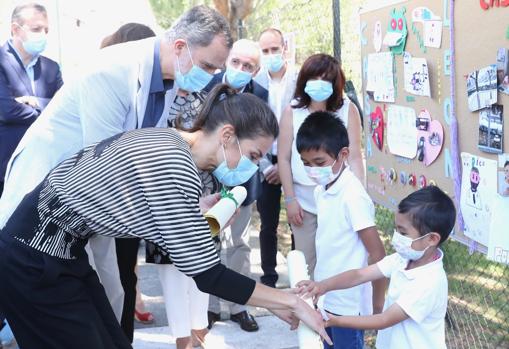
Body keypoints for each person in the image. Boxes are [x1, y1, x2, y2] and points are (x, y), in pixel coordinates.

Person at [0, 85, 331, 349]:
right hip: (33, 259)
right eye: (255, 154)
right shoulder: (175, 165)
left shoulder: (171, 142)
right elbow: (207, 273)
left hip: (59, 253)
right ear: (228, 135)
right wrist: (291, 301)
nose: (255, 166)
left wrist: (275, 303)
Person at [0, 5, 232, 322]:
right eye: (207, 66)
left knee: (112, 296)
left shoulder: (164, 84)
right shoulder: (112, 70)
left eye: (215, 72)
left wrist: (192, 202)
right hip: (47, 199)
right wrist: (179, 215)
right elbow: (108, 169)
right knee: (65, 307)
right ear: (180, 47)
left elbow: (148, 157)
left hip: (87, 205)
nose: (209, 77)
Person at [298, 186, 456, 349]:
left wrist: (335, 320)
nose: (396, 237)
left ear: (431, 239)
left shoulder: (429, 282)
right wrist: (322, 286)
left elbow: (384, 320)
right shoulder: (402, 259)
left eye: (403, 232)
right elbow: (359, 275)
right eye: (396, 229)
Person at [294, 112, 386, 348]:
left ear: (343, 154)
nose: (312, 170)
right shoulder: (321, 189)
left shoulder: (353, 196)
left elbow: (377, 254)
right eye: (305, 163)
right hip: (327, 296)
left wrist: (377, 304)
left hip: (349, 304)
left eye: (319, 162)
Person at [278, 53, 364, 278]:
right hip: (303, 202)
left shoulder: (348, 110)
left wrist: (358, 195)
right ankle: (306, 309)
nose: (319, 84)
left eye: (325, 79)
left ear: (335, 83)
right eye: (313, 78)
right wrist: (290, 199)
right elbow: (284, 159)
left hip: (339, 199)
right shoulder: (292, 112)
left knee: (336, 260)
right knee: (305, 263)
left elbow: (354, 156)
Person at [203, 38, 267, 332]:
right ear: (227, 60)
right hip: (208, 179)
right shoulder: (205, 87)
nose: (241, 69)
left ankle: (241, 305)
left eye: (249, 66)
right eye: (236, 62)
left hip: (243, 181)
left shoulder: (261, 96)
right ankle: (211, 306)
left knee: (239, 244)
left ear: (256, 71)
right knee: (209, 241)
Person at [99, 22, 157, 341]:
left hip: (129, 204)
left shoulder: (147, 90)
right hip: (105, 203)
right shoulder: (109, 83)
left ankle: (123, 338)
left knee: (124, 278)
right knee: (111, 281)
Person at [0, 2, 63, 197]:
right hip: (5, 165)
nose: (43, 34)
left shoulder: (52, 68)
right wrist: (48, 108)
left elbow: (64, 108)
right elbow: (7, 110)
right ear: (15, 29)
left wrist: (35, 101)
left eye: (46, 29)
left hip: (42, 167)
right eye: (36, 29)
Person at [254, 28, 298, 288]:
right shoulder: (256, 82)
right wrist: (266, 165)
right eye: (266, 50)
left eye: (275, 49)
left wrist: (286, 165)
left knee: (297, 222)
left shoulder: (298, 80)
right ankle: (268, 277)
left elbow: (302, 125)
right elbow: (252, 128)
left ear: (285, 48)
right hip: (264, 162)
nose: (271, 54)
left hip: (293, 162)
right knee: (267, 224)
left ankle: (298, 278)